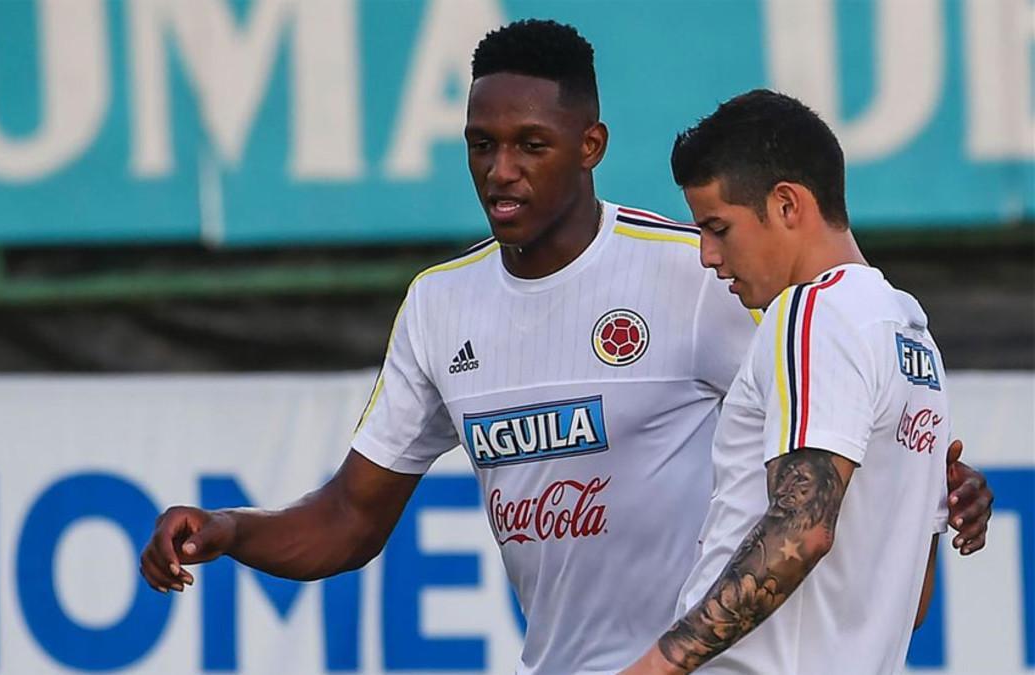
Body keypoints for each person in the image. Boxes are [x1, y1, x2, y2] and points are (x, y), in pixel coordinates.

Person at [140, 21, 992, 674]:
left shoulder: (713, 280)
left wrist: (909, 483)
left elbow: (819, 488)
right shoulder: (441, 306)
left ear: (591, 147)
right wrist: (232, 528)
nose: (500, 169)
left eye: (530, 145)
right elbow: (352, 515)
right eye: (481, 144)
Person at [622, 90, 965, 675]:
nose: (707, 255)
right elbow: (913, 601)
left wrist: (657, 666)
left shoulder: (812, 312)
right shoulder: (911, 333)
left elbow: (801, 530)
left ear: (785, 205)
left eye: (717, 227)